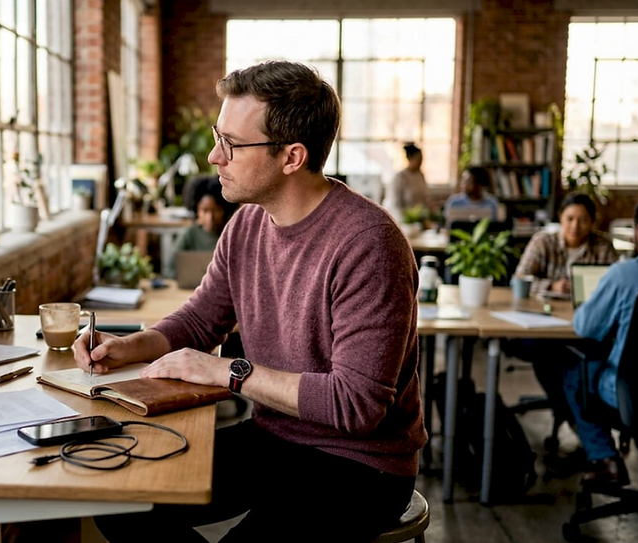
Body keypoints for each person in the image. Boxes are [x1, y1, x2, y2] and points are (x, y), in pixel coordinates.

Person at [73, 60, 425, 542]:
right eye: (218, 137)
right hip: (276, 438)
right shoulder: (246, 223)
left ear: (292, 157)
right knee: (123, 498)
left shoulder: (370, 244)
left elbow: (357, 405)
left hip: (360, 466)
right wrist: (130, 345)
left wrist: (225, 371)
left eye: (232, 145)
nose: (215, 158)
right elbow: (200, 320)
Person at [563, 195, 638, 486]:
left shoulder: (625, 274)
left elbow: (585, 326)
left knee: (575, 374)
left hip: (635, 391)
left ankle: (606, 460)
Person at [508, 191, 619, 447]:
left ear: (592, 222)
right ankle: (573, 416)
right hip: (541, 323)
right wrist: (552, 286)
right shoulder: (543, 241)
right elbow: (519, 280)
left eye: (582, 220)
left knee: (574, 356)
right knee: (551, 354)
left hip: (582, 325)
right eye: (569, 218)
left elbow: (612, 288)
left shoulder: (602, 246)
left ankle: (574, 416)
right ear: (561, 218)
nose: (575, 226)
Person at [164, 174, 238, 279]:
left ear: (225, 210)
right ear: (196, 210)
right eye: (205, 211)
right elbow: (169, 270)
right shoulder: (189, 234)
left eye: (216, 210)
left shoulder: (233, 235)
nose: (210, 217)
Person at [384, 142, 429, 222]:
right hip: (404, 221)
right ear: (410, 158)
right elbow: (395, 205)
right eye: (418, 159)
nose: (420, 162)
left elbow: (425, 200)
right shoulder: (400, 177)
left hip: (421, 220)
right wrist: (407, 220)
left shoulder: (420, 176)